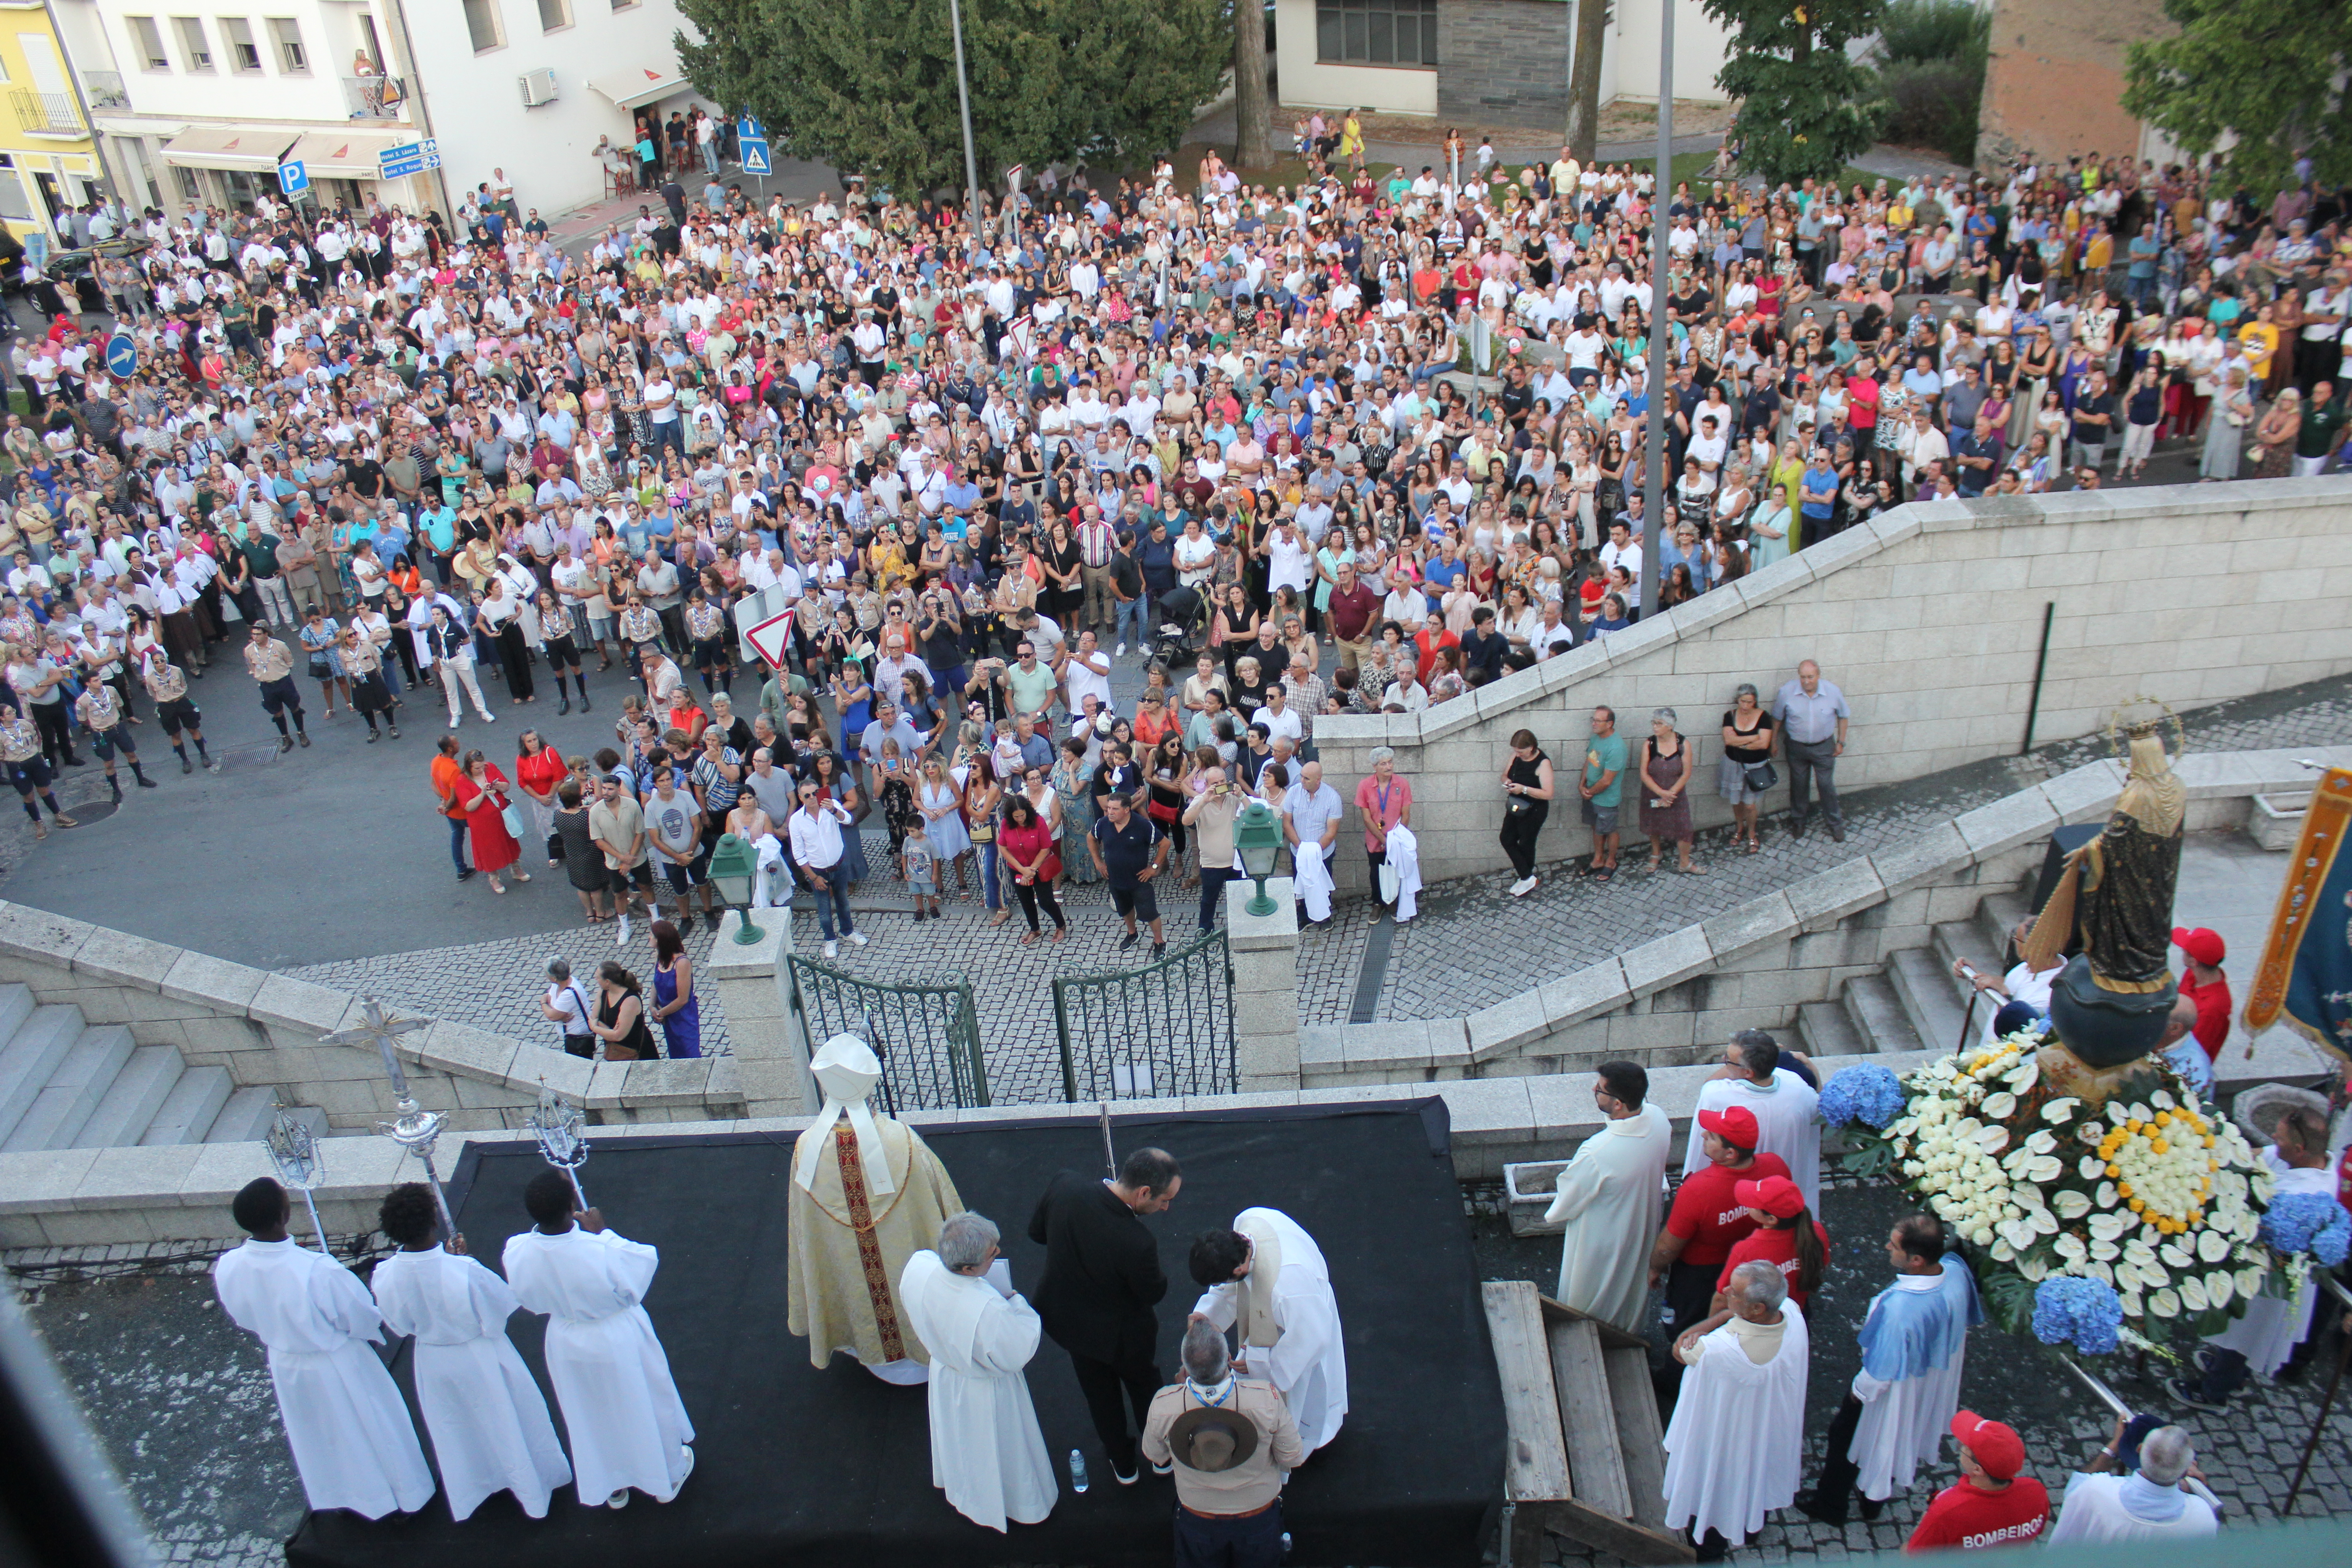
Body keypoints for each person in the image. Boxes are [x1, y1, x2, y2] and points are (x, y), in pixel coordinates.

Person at [211, 1178, 434, 1519]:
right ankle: (405, 1492)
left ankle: (343, 1495)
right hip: (337, 1360)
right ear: (282, 1216)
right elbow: (359, 1315)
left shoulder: (228, 1266)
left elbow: (243, 1316)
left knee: (321, 1435)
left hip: (286, 1362)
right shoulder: (315, 1269)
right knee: (372, 1426)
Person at [369, 1183, 572, 1522]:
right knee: (506, 1420)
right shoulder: (464, 1271)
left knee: (456, 1427)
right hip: (480, 1356)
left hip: (432, 1360)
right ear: (434, 1221)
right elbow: (500, 1308)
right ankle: (529, 1489)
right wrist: (460, 1264)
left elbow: (399, 1325)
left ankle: (475, 1486)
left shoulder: (384, 1276)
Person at [503, 1171, 696, 1509]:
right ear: (572, 1206)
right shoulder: (599, 1248)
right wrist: (604, 1232)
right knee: (643, 1401)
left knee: (588, 1412)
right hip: (615, 1336)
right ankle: (666, 1477)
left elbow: (526, 1299)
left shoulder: (517, 1250)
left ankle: (612, 1484)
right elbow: (640, 1270)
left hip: (564, 1340)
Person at [787, 1035, 965, 1383]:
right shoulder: (901, 1140)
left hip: (851, 1275)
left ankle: (868, 1347)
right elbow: (942, 1200)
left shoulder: (806, 1149)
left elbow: (805, 1228)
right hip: (905, 1263)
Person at [1798, 1214, 1982, 1525]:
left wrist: (1858, 1393)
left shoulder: (1899, 1310)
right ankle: (1873, 1502)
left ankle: (1831, 1505)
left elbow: (1879, 1371)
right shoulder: (1955, 1274)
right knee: (1898, 1437)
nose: (1886, 1247)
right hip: (1931, 1376)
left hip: (1896, 1386)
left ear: (1916, 1260)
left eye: (1894, 1245)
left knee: (1847, 1435)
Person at [1029, 1147, 1183, 1485]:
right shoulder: (1137, 1241)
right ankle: (1159, 1456)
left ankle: (1123, 1465)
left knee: (1100, 1397)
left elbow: (1036, 1233)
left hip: (1072, 1325)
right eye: (1164, 1200)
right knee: (1144, 1387)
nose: (1166, 1207)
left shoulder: (1064, 1186)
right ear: (1144, 1192)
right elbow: (1152, 1293)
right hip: (1125, 1336)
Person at [898, 1212, 1059, 1533]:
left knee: (960, 1440)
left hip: (946, 1374)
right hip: (987, 1389)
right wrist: (1017, 1303)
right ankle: (1018, 1504)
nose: (998, 1254)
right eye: (992, 1254)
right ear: (969, 1269)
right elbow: (1015, 1352)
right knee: (1000, 1449)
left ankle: (966, 1492)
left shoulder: (919, 1267)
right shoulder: (988, 1310)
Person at [2174, 1104, 2333, 1411]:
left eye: (2281, 1136)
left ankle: (2215, 1390)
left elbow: (2259, 1224)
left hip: (2268, 1280)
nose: (2275, 1137)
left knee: (2245, 1333)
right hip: (2260, 1266)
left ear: (2300, 1149)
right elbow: (2259, 1155)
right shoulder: (2305, 1159)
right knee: (2239, 1332)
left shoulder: (2308, 1196)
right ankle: (2229, 1371)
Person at [1661, 1261, 1810, 1561]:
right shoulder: (1792, 1312)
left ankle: (1707, 1547)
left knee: (1715, 1483)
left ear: (1756, 1309)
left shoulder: (1718, 1349)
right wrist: (1734, 1311)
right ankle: (1753, 1524)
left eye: (1736, 1292)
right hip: (1769, 1423)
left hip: (1726, 1432)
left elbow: (1681, 1349)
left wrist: (1714, 1320)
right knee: (1759, 1472)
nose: (1726, 1290)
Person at [1141, 1318, 1304, 1568]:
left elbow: (1157, 1456)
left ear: (1185, 1366)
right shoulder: (1265, 1398)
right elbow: (1293, 1457)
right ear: (1228, 1357)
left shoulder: (1164, 1405)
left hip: (1197, 1519)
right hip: (1258, 1518)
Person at [1187, 1206, 1349, 1453]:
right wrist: (1207, 1314)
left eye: (1220, 1281)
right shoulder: (1248, 1222)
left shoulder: (1286, 1287)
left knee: (1296, 1401)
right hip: (1281, 1310)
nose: (1220, 1286)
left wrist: (1261, 1361)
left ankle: (1296, 1444)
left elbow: (1311, 1338)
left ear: (1238, 1271)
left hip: (1302, 1324)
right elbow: (1231, 1287)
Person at [1544, 1060, 1671, 1333]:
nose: (1594, 1090)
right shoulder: (1659, 1119)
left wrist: (1554, 1213)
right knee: (1628, 1289)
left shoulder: (1598, 1151)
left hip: (1600, 1239)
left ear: (1618, 1104)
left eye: (1600, 1089)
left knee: (1590, 1296)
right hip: (1642, 1226)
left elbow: (1566, 1202)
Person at [1651, 1105, 1792, 1348]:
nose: (1704, 1135)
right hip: (1749, 1269)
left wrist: (1654, 1268)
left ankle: (1678, 1374)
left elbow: (1668, 1246)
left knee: (1686, 1331)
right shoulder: (1776, 1167)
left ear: (1730, 1155)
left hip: (1698, 1276)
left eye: (1713, 1136)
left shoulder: (1697, 1189)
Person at [1686, 1030, 1823, 1210]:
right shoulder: (1798, 1088)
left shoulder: (1718, 1096)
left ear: (1749, 1072)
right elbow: (1819, 1114)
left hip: (1735, 1189)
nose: (1724, 1060)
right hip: (1783, 1182)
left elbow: (1709, 1085)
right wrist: (1813, 1070)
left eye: (1728, 1060)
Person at [1904, 1411, 2050, 1553]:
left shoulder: (1947, 1511)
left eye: (1962, 1448)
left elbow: (1912, 1559)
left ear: (1977, 1469)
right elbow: (2038, 1529)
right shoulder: (2035, 1491)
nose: (1960, 1446)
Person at [2044, 1424, 2217, 1544]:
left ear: (2140, 1449)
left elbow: (2077, 1487)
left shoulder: (2096, 1491)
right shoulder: (2202, 1518)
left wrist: (2115, 1445)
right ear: (2187, 1469)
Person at [1712, 1174, 1829, 1313]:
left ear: (1772, 1220)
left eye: (1753, 1205)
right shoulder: (1816, 1231)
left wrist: (1710, 1330)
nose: (1748, 1205)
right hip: (1797, 1311)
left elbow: (1722, 1298)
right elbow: (1823, 1263)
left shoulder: (1746, 1249)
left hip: (1761, 1317)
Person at [789, 774, 866, 959]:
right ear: (801, 798)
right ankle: (830, 939)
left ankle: (848, 931)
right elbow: (798, 854)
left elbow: (847, 820)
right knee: (824, 908)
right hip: (817, 870)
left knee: (843, 902)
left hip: (839, 864)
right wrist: (813, 878)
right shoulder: (796, 821)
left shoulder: (830, 805)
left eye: (815, 793)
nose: (812, 798)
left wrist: (834, 811)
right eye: (807, 795)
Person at [1773, 659, 1848, 841]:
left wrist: (1841, 742)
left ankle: (1835, 824)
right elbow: (1777, 719)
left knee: (1826, 786)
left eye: (1810, 677)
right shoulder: (1787, 692)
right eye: (1803, 677)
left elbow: (1843, 716)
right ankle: (1799, 821)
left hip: (1824, 747)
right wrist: (1773, 742)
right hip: (1796, 748)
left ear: (1818, 676)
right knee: (1799, 785)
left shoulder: (1832, 691)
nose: (1806, 681)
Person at [1088, 789, 1169, 956]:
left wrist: (1153, 868)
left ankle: (1159, 942)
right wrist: (1098, 862)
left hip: (1139, 880)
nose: (1110, 812)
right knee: (1125, 910)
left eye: (1115, 809)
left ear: (1127, 810)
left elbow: (1165, 844)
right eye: (1109, 808)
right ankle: (1133, 934)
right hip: (1115, 879)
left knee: (1150, 913)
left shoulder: (1142, 825)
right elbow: (1091, 838)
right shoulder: (1103, 824)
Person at [1638, 707, 1703, 875]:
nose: (1655, 727)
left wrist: (1671, 793)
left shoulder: (1683, 744)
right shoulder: (1649, 744)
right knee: (1653, 825)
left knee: (1685, 828)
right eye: (1653, 723)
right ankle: (1655, 853)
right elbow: (1644, 773)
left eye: (1659, 724)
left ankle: (1685, 862)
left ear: (1670, 726)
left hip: (1676, 795)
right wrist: (1661, 793)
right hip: (1653, 792)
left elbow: (1687, 772)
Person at [456, 748, 527, 894]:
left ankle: (516, 867)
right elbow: (469, 807)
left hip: (501, 817)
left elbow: (506, 786)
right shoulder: (462, 780)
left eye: (482, 767)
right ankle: (493, 877)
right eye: (477, 768)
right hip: (481, 823)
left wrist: (498, 786)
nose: (481, 770)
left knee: (509, 842)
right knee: (488, 849)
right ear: (469, 767)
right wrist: (483, 793)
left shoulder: (490, 767)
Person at [1354, 744, 1412, 917]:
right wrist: (1383, 839)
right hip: (1374, 839)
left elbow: (1406, 814)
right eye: (1384, 764)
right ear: (1375, 767)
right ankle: (1378, 903)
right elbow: (1366, 818)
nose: (1389, 767)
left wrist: (1394, 839)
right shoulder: (1365, 786)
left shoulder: (1402, 784)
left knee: (1395, 871)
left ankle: (1393, 901)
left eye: (1390, 762)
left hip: (1396, 838)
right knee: (1376, 871)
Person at [1284, 758, 1343, 926]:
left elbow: (1332, 831)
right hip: (1298, 850)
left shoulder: (1332, 798)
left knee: (1322, 884)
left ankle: (1324, 916)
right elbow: (1287, 823)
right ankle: (1303, 916)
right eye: (1302, 777)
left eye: (1307, 779)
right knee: (1300, 882)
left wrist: (1315, 850)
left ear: (1318, 780)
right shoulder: (1294, 792)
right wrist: (1301, 848)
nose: (1302, 780)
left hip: (1323, 852)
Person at [1500, 727, 1554, 897]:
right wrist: (1507, 782)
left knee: (1526, 843)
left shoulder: (1543, 763)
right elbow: (1504, 774)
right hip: (1517, 805)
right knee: (1506, 838)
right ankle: (1527, 876)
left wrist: (1523, 789)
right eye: (1516, 751)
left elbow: (1549, 794)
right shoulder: (1516, 757)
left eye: (1521, 751)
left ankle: (1526, 877)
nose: (1518, 754)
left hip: (1534, 809)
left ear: (1531, 747)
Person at [242, 620, 310, 752]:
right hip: (267, 685)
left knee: (294, 708)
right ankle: (286, 737)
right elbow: (251, 666)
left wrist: (280, 673)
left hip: (284, 682)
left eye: (258, 634)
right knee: (277, 712)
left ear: (266, 634)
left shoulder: (279, 646)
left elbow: (289, 662)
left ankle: (301, 733)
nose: (255, 637)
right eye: (253, 634)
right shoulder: (249, 650)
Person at [1578, 706, 1626, 881]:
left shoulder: (1617, 747)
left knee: (1610, 830)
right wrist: (1582, 784)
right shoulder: (1596, 739)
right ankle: (1598, 858)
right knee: (1596, 827)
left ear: (1610, 723)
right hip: (1591, 794)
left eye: (1599, 721)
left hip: (1606, 798)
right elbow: (1590, 761)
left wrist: (1589, 792)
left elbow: (1607, 780)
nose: (1594, 724)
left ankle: (1611, 861)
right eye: (1594, 719)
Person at [648, 918, 701, 1058]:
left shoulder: (682, 963)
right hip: (668, 1016)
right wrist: (652, 1005)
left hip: (683, 1016)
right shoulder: (660, 957)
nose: (649, 937)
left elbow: (682, 999)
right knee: (675, 1052)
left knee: (689, 1052)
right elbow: (656, 980)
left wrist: (661, 1013)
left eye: (652, 935)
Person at [541, 955, 598, 1058]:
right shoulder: (557, 984)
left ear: (554, 978)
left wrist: (543, 1003)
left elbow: (552, 1016)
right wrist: (560, 1016)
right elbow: (551, 1001)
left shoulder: (569, 993)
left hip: (578, 1040)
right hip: (570, 1038)